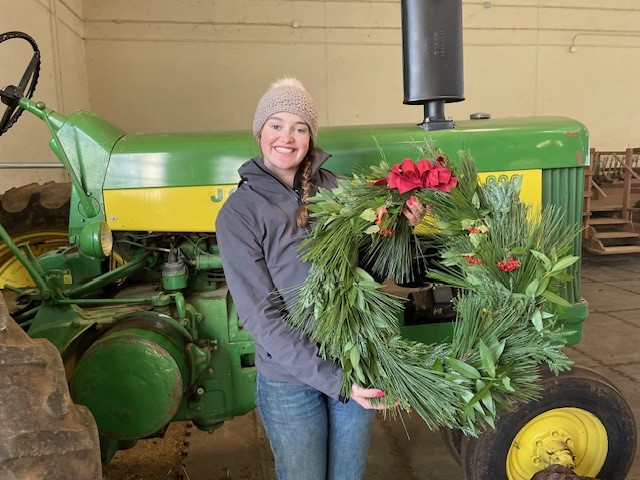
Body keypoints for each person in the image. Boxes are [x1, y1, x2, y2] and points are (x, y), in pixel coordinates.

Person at [215, 77, 424, 480]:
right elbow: (262, 317)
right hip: (291, 380)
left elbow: (369, 272)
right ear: (260, 131)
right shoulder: (240, 213)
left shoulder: (341, 192)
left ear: (311, 137)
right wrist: (334, 380)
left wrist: (401, 231)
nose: (286, 137)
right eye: (276, 124)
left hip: (353, 358)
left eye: (300, 127)